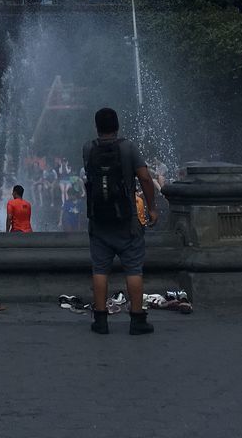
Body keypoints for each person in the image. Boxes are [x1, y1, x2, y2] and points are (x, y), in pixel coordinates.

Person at [82, 108, 158, 336]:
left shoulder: (88, 148)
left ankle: (101, 321)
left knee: (100, 269)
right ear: (117, 126)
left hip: (99, 220)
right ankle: (137, 320)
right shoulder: (129, 148)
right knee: (133, 269)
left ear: (97, 127)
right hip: (127, 220)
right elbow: (144, 177)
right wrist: (152, 207)